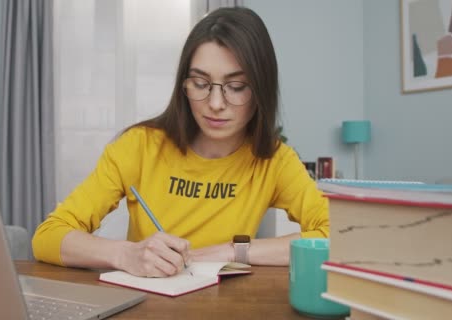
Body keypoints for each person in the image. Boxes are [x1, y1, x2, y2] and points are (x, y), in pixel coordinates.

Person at [32, 7, 328, 278]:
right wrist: (126, 254)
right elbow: (48, 236)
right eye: (200, 83)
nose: (214, 103)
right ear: (183, 85)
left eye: (236, 87)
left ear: (261, 88)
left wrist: (234, 250)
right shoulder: (139, 147)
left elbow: (342, 236)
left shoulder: (274, 161)